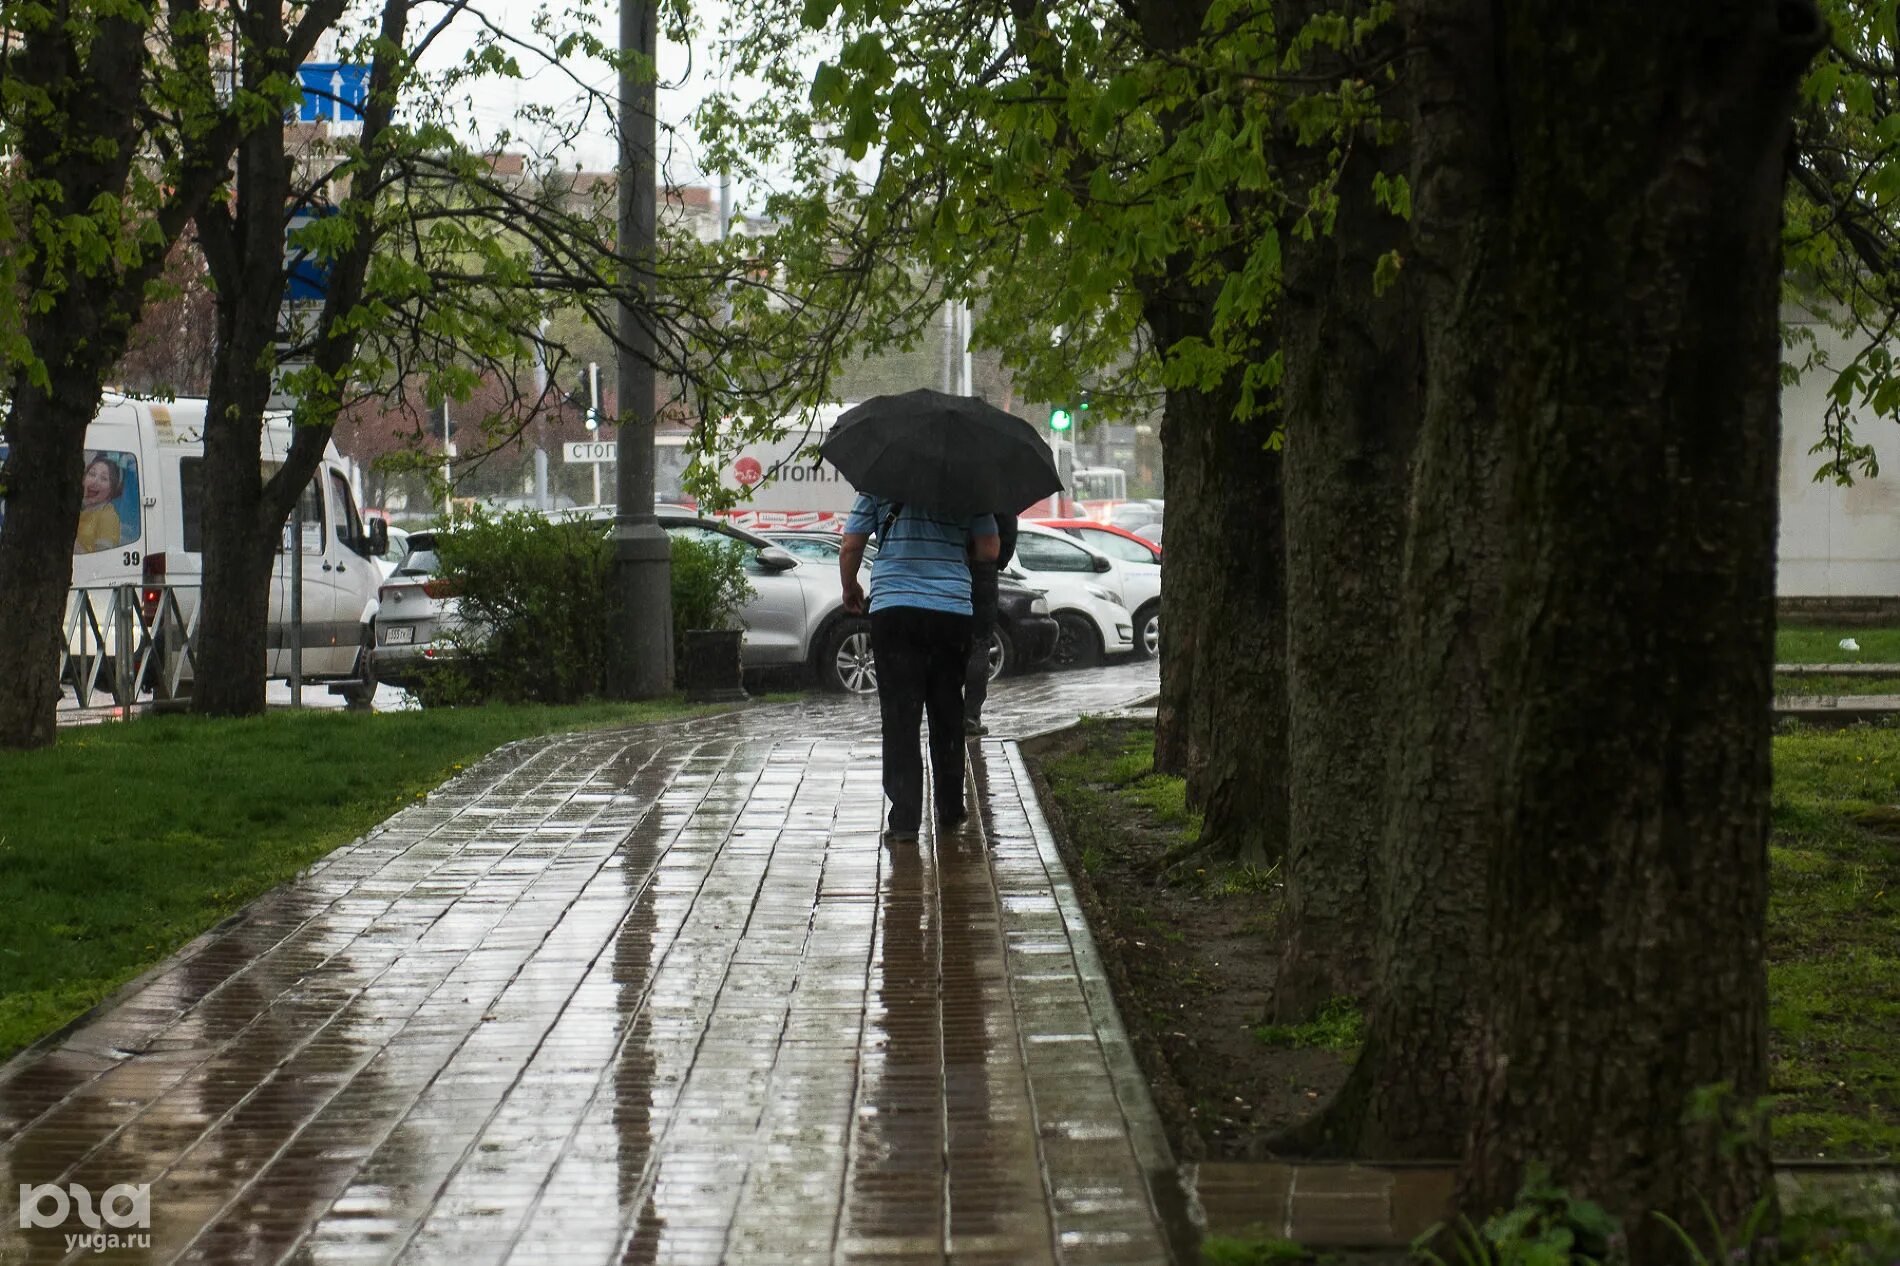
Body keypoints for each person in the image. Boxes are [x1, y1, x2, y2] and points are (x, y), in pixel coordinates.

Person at [841, 495, 999, 841]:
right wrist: (953, 556)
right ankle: (951, 807)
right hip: (951, 611)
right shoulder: (968, 482)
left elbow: (852, 544)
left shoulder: (878, 481)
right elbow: (989, 549)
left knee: (900, 716)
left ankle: (905, 820)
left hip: (894, 609)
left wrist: (849, 585)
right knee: (947, 710)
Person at [964, 511, 1019, 736]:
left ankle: (947, 713)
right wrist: (997, 562)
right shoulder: (994, 493)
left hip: (950, 572)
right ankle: (970, 716)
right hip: (984, 573)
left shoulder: (945, 490)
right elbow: (1008, 534)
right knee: (979, 645)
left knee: (948, 647)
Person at [76, 454, 123, 554]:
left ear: (112, 490)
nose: (95, 481)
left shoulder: (109, 516)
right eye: (92, 474)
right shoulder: (79, 507)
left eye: (104, 478)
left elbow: (102, 561)